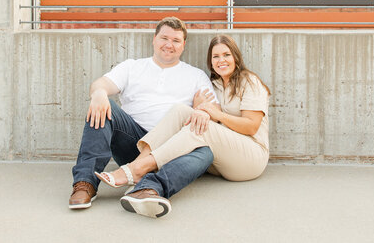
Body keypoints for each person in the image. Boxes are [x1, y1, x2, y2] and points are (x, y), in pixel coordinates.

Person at [69, 17, 217, 218]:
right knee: (105, 106)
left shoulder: (196, 75)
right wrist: (99, 93)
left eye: (176, 40)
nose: (169, 45)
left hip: (172, 149)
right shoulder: (132, 67)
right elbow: (101, 84)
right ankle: (85, 183)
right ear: (154, 39)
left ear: (183, 45)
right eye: (164, 38)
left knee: (206, 153)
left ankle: (148, 187)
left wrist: (202, 110)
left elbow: (212, 110)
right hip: (134, 143)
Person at [96, 34, 270, 197]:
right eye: (216, 56)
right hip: (221, 158)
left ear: (236, 57)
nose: (221, 60)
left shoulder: (249, 81)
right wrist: (200, 109)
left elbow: (251, 126)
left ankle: (137, 168)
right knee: (181, 110)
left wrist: (215, 113)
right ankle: (140, 170)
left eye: (226, 55)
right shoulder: (213, 86)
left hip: (250, 157)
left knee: (201, 128)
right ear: (210, 61)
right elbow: (207, 117)